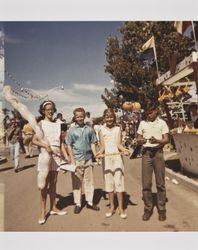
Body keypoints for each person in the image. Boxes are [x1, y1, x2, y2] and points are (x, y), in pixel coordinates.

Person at [32, 100, 68, 225]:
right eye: (47, 109)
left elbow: (61, 142)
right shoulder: (40, 123)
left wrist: (65, 156)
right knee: (44, 185)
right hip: (45, 155)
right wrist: (45, 146)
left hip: (57, 155)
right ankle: (42, 211)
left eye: (52, 108)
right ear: (43, 111)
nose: (50, 111)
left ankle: (53, 208)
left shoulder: (58, 124)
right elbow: (34, 140)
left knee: (54, 182)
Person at [136, 101, 169, 221]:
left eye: (151, 112)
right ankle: (148, 208)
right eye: (147, 112)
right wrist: (140, 141)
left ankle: (161, 209)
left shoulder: (162, 123)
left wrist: (157, 141)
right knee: (146, 184)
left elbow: (166, 139)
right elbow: (138, 138)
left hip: (158, 153)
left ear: (156, 111)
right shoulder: (142, 123)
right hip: (146, 154)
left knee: (160, 183)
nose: (148, 115)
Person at [96, 108, 130, 219]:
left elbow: (119, 144)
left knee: (119, 183)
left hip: (117, 159)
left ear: (114, 118)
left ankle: (121, 207)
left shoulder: (118, 129)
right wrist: (99, 153)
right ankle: (111, 207)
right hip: (107, 160)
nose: (109, 119)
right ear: (104, 118)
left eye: (111, 117)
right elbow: (102, 146)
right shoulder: (101, 130)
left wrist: (124, 150)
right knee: (109, 184)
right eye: (107, 117)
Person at [66, 107, 100, 214]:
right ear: (75, 118)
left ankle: (89, 202)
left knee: (89, 181)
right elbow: (68, 145)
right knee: (77, 182)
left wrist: (96, 156)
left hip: (88, 159)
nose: (80, 118)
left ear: (84, 116)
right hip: (77, 159)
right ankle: (78, 203)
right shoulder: (71, 131)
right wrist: (72, 159)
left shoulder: (90, 129)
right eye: (78, 117)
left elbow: (93, 144)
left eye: (81, 116)